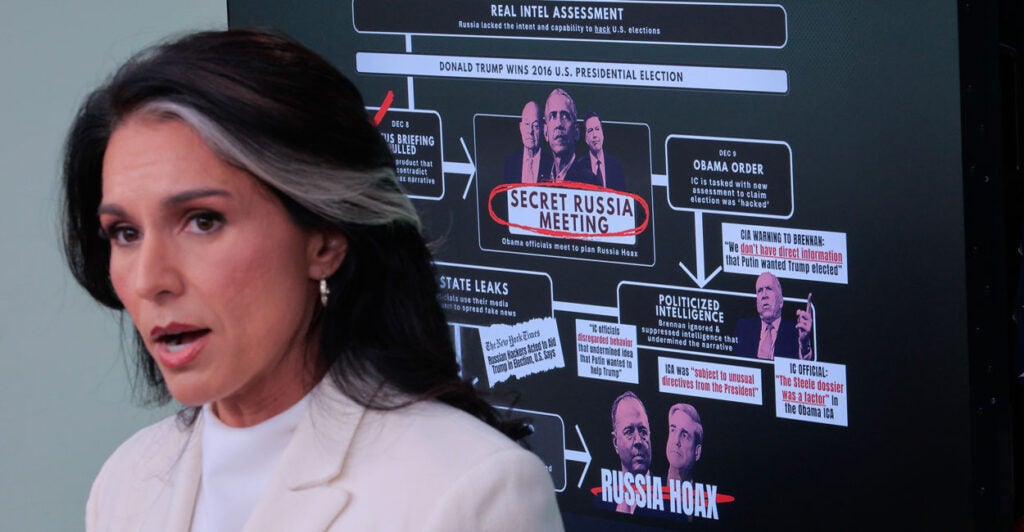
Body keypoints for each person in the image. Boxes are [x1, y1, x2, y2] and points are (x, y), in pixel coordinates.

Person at [63, 29, 562, 531]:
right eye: (125, 233)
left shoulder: (472, 491)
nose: (150, 279)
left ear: (324, 240)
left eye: (203, 220)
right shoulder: (124, 485)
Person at [734, 272, 814, 360]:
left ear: (781, 301)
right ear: (757, 302)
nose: (764, 295)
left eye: (769, 289)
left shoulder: (795, 331)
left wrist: (804, 344)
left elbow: (804, 363)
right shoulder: (744, 328)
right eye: (760, 290)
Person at [542, 88, 600, 186]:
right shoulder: (540, 180)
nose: (559, 124)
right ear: (546, 132)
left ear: (576, 131)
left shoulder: (590, 183)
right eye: (552, 116)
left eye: (565, 116)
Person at [609, 391, 652, 514]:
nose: (638, 441)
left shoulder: (671, 503)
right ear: (615, 442)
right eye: (629, 431)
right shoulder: (601, 501)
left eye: (643, 431)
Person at [503, 101, 552, 183]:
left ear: (543, 129)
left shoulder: (552, 165)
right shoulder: (510, 163)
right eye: (526, 124)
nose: (530, 131)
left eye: (535, 126)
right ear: (521, 127)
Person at [583, 112, 625, 190]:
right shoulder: (579, 168)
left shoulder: (616, 166)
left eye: (597, 129)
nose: (594, 135)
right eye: (590, 130)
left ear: (602, 134)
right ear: (586, 139)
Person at [665, 403, 702, 482]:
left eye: (684, 435)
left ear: (697, 452)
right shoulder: (648, 488)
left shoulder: (706, 494)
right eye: (673, 430)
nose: (676, 441)